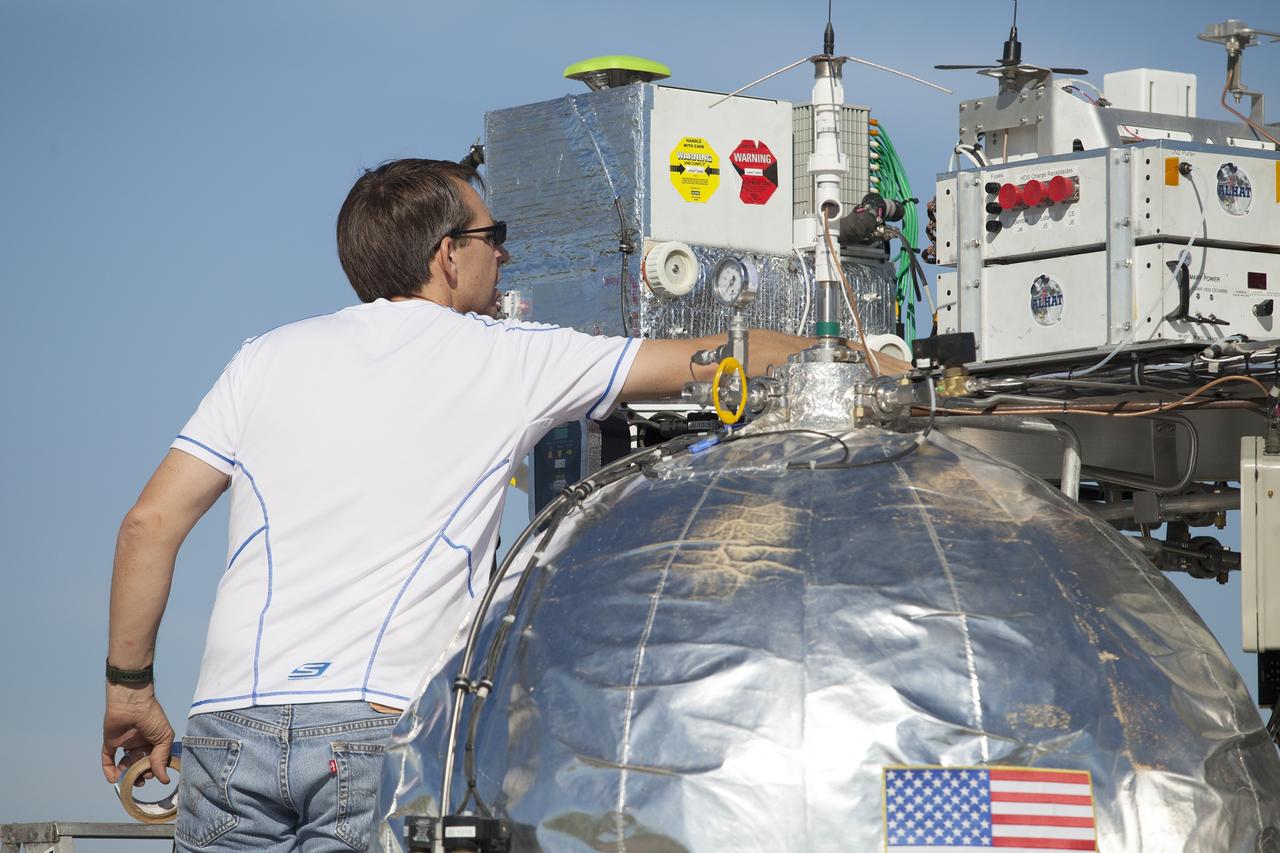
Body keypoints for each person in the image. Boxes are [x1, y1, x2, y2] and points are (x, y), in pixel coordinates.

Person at [101, 158, 904, 851]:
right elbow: (713, 358)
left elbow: (150, 523)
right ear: (447, 255)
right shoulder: (511, 358)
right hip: (376, 725)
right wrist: (861, 358)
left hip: (226, 728)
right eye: (493, 236)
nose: (506, 253)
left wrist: (129, 688)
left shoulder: (265, 357)